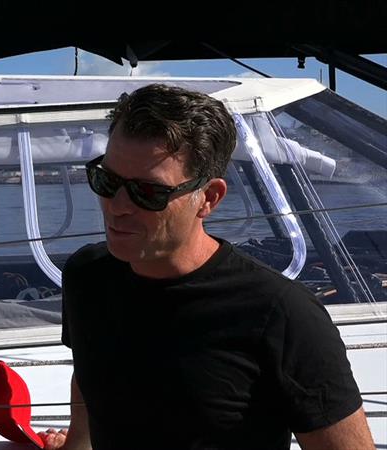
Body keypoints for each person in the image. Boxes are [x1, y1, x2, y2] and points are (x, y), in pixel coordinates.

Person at [38, 84, 374, 450]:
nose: (117, 205)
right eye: (107, 180)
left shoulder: (281, 314)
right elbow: (90, 373)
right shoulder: (87, 276)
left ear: (208, 198)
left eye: (147, 193)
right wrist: (75, 444)